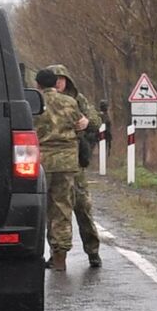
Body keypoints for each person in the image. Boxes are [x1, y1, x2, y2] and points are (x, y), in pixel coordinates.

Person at [46, 65, 103, 267]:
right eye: (55, 80)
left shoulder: (78, 100)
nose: (59, 83)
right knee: (55, 210)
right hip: (58, 163)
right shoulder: (44, 100)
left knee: (83, 207)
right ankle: (57, 253)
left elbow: (96, 120)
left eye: (62, 79)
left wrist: (87, 122)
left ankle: (92, 251)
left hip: (76, 162)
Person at [33, 68, 87, 272]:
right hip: (66, 162)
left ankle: (35, 253)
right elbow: (81, 125)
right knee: (62, 209)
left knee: (38, 209)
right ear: (55, 83)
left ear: (38, 84)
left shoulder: (33, 103)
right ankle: (60, 258)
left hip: (41, 162)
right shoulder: (70, 102)